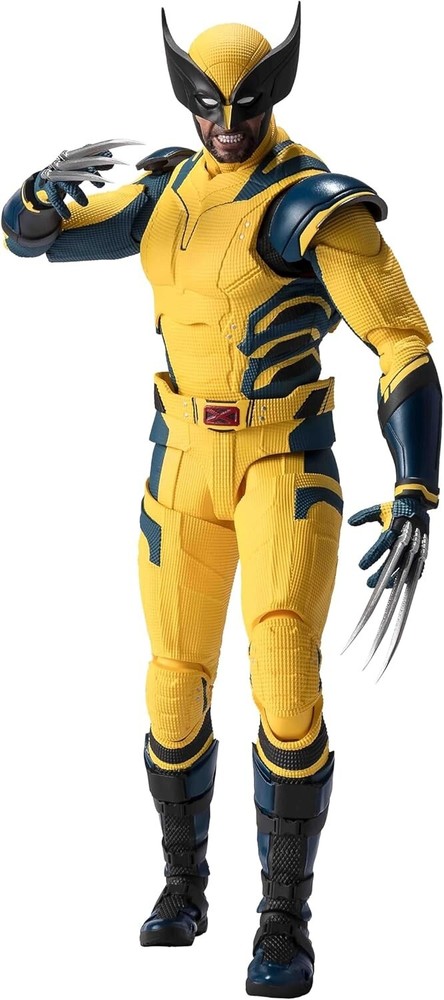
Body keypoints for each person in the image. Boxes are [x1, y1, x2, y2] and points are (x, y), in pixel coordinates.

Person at [2, 6, 441, 997]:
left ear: (274, 96)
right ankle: (183, 885)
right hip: (181, 460)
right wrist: (32, 193)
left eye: (245, 108)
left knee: (283, 678)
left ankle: (283, 918)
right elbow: (36, 241)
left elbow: (402, 342)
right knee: (171, 686)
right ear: (187, 100)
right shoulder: (170, 188)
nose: (228, 125)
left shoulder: (313, 203)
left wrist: (416, 481)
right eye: (211, 108)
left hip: (284, 460)